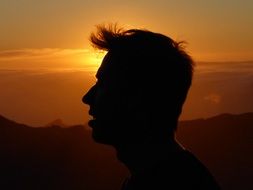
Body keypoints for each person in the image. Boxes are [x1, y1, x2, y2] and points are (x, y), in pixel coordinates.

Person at [82, 24, 220, 190]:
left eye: (103, 84)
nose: (87, 98)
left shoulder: (173, 184)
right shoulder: (177, 176)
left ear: (138, 97)